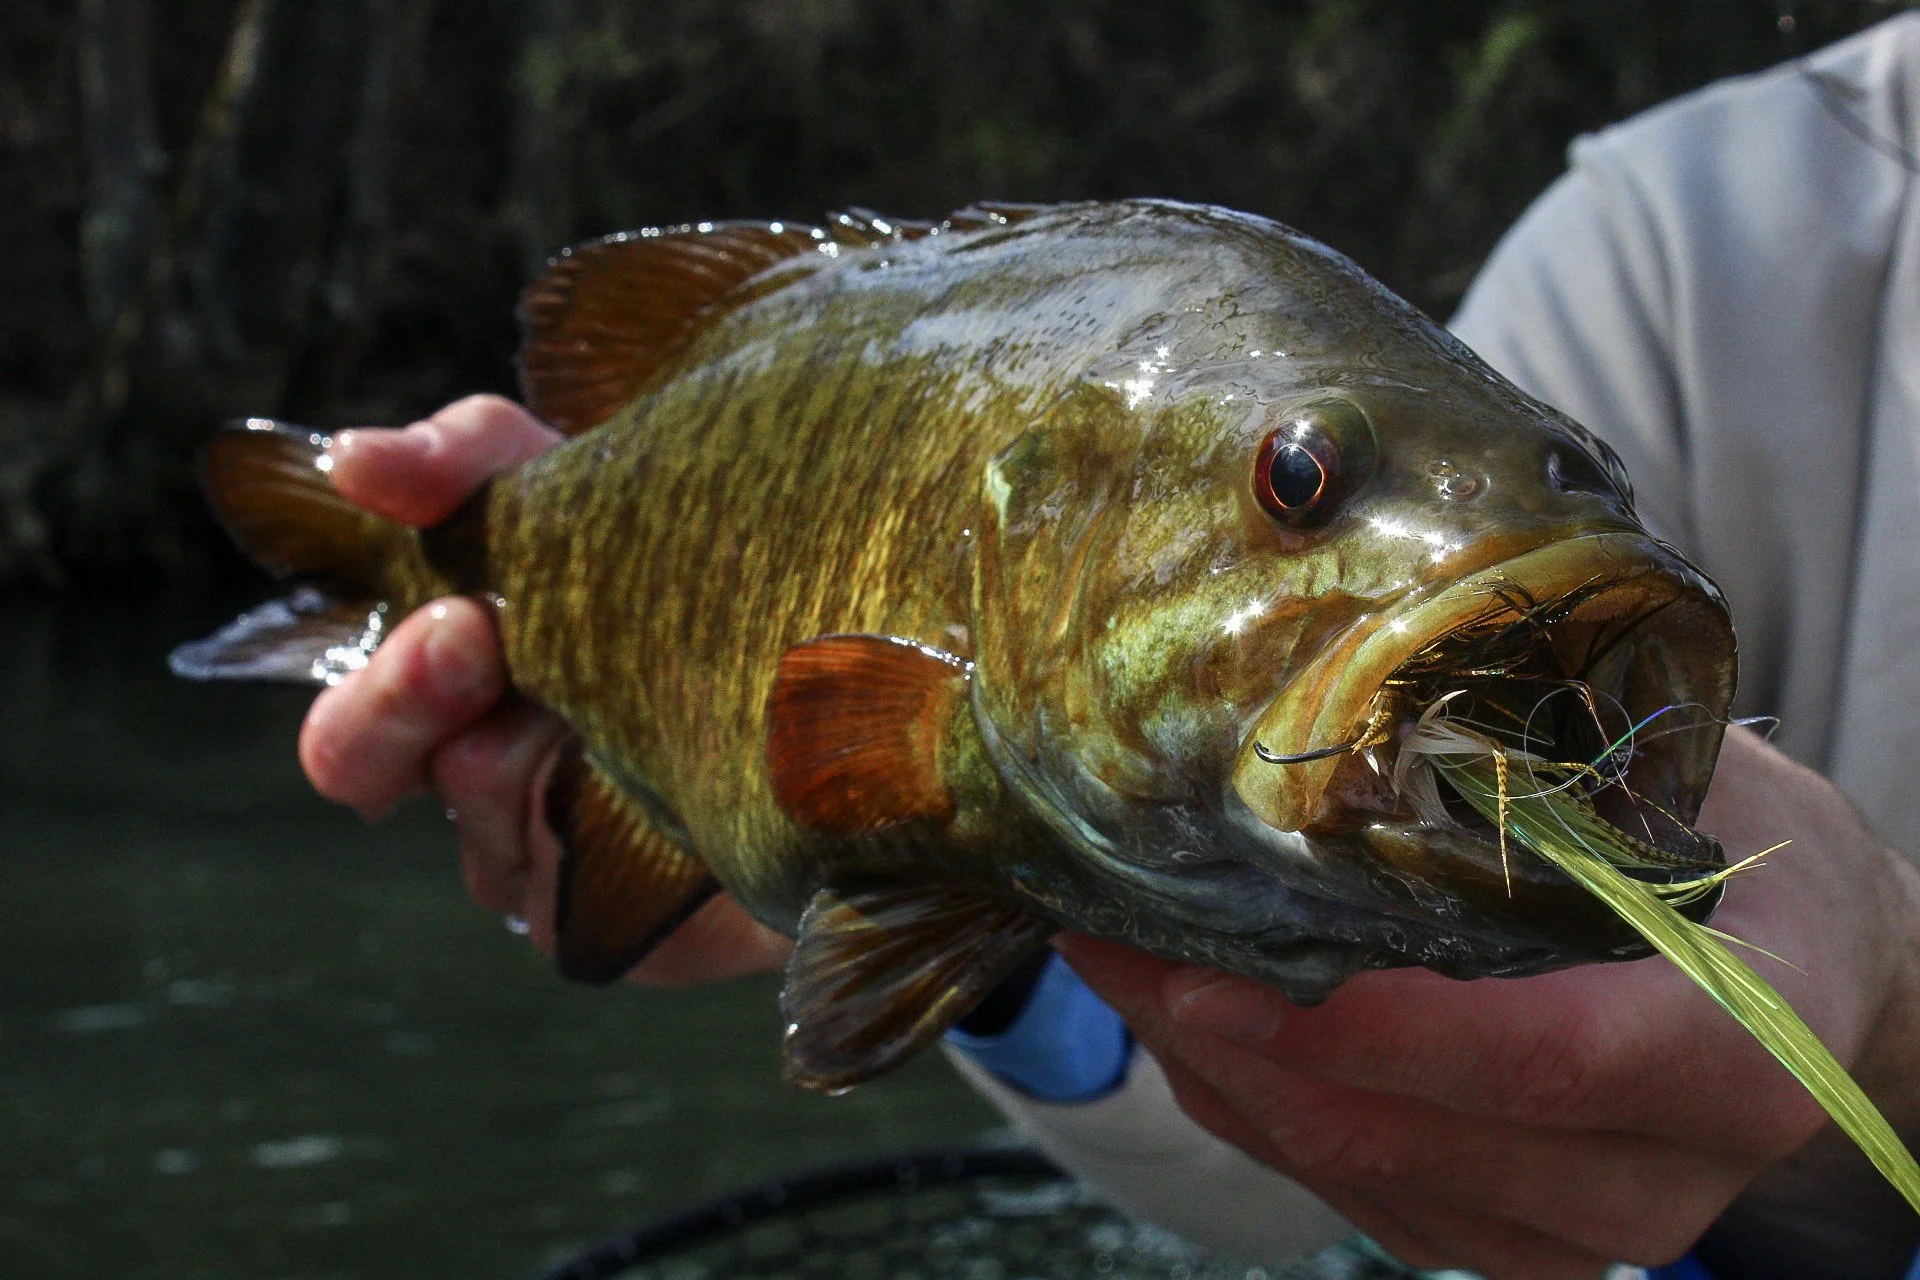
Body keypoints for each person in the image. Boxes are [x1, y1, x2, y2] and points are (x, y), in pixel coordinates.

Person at [293, 17, 1920, 1280]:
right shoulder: (1673, 253)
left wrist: (1895, 1016)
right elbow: (1284, 1171)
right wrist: (801, 864)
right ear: (1035, 522)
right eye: (1301, 486)